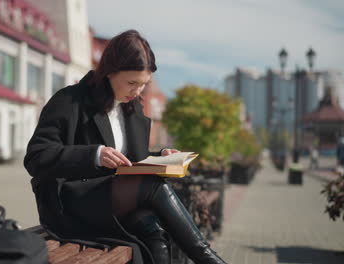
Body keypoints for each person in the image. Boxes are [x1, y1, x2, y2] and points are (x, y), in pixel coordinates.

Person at [24, 30, 226, 264]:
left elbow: (129, 162)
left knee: (153, 229)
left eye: (144, 85)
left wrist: (160, 157)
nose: (137, 91)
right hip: (70, 204)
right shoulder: (70, 100)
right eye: (132, 83)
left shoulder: (132, 109)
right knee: (153, 188)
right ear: (109, 72)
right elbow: (36, 157)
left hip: (113, 201)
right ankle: (208, 258)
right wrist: (94, 155)